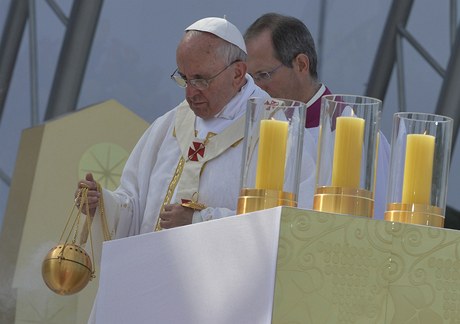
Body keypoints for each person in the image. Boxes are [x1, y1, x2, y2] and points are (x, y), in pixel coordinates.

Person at [244, 13, 390, 219]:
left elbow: (375, 221)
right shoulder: (262, 129)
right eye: (251, 78)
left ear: (302, 64)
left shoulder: (356, 133)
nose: (257, 88)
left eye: (264, 75)